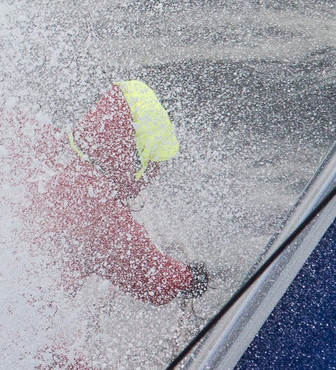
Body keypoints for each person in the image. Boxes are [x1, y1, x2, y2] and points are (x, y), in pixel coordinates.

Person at [36, 77, 209, 305]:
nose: (153, 175)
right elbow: (152, 277)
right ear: (131, 154)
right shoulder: (94, 205)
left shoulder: (44, 140)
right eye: (152, 163)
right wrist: (190, 279)